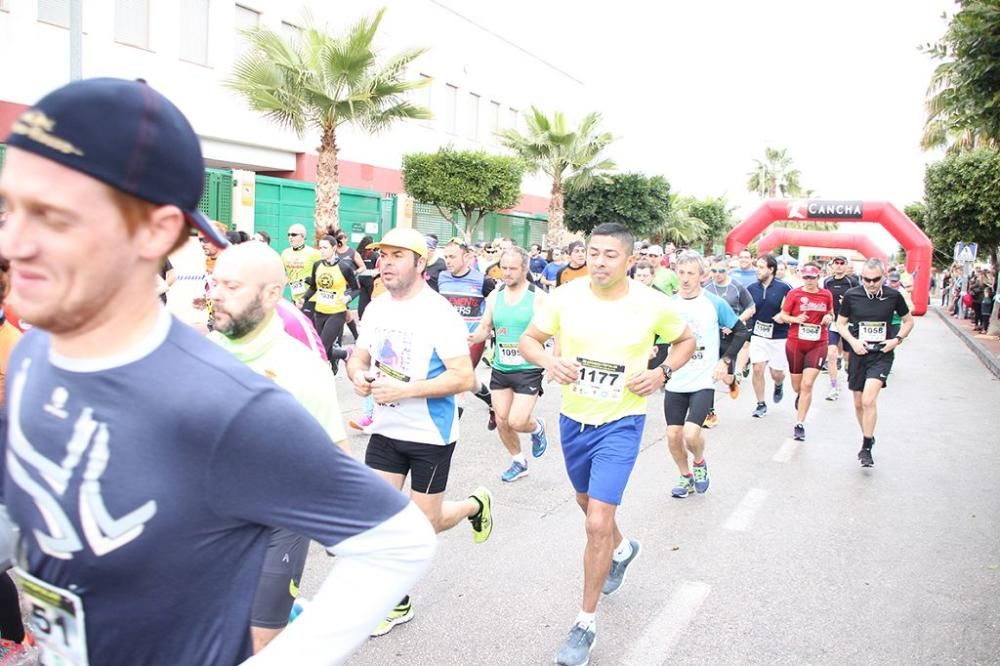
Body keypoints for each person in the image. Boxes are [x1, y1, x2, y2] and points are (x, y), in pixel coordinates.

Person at [0, 76, 435, 665]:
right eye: (8, 208)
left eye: (52, 216)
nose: (12, 242)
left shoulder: (224, 405)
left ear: (155, 232)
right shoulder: (32, 355)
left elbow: (397, 542)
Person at [520, 223, 696, 666]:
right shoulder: (565, 297)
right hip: (574, 419)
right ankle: (622, 549)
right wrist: (549, 361)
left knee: (597, 521)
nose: (599, 261)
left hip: (622, 421)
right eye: (593, 252)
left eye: (610, 254)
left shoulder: (652, 304)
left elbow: (686, 341)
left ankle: (584, 623)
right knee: (586, 503)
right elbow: (528, 340)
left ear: (630, 260)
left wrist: (661, 373)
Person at [346, 228, 494, 637]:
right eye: (383, 255)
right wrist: (358, 376)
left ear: (420, 263)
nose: (386, 263)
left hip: (430, 433)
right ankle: (397, 600)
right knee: (379, 519)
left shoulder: (438, 313)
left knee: (422, 523)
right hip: (386, 429)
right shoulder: (377, 308)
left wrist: (406, 390)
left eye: (398, 255)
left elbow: (464, 377)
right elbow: (359, 357)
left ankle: (474, 506)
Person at [207, 242, 352, 653]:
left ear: (272, 294)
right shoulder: (199, 354)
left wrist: (358, 532)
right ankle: (290, 615)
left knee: (258, 643)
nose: (216, 294)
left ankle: (280, 621)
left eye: (232, 286)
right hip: (213, 515)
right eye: (215, 283)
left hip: (280, 517)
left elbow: (336, 456)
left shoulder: (301, 368)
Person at [662, 252, 747, 499]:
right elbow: (656, 335)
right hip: (676, 378)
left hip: (703, 379)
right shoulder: (669, 304)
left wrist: (725, 361)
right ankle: (685, 476)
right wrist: (653, 351)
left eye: (691, 273)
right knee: (673, 435)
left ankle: (699, 461)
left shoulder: (714, 303)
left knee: (690, 433)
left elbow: (741, 332)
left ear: (702, 276)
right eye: (681, 272)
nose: (685, 278)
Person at [470, 247, 548, 482]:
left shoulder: (538, 297)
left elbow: (552, 330)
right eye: (503, 268)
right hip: (501, 367)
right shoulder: (495, 295)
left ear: (525, 269)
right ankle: (518, 461)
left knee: (517, 420)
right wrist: (472, 337)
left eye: (512, 268)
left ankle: (537, 427)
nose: (507, 273)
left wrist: (554, 359)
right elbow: (486, 326)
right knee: (502, 420)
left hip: (528, 368)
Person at [836, 258, 915, 467]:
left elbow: (909, 321)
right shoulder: (852, 295)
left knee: (868, 400)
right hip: (859, 352)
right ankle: (868, 435)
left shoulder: (893, 296)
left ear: (884, 277)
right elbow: (840, 324)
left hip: (881, 354)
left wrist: (896, 340)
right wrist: (853, 342)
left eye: (876, 279)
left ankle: (866, 447)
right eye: (866, 279)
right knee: (858, 402)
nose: (871, 283)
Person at [439, 238, 497, 427]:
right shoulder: (440, 278)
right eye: (446, 257)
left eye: (452, 257)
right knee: (467, 381)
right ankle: (492, 402)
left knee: (459, 380)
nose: (448, 261)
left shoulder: (483, 281)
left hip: (472, 341)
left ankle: (449, 429)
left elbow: (495, 305)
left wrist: (489, 329)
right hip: (446, 339)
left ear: (466, 257)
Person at [774, 262, 834, 441]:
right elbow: (783, 316)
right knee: (797, 386)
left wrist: (828, 317)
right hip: (796, 343)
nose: (809, 281)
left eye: (812, 278)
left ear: (818, 277)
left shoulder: (826, 294)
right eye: (806, 277)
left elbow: (831, 313)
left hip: (818, 343)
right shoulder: (794, 294)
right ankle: (800, 396)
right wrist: (796, 319)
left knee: (807, 384)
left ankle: (799, 424)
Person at [301, 235, 360, 374]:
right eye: (320, 247)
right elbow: (314, 287)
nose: (321, 250)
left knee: (321, 347)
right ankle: (345, 354)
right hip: (320, 312)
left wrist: (348, 297)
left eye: (325, 247)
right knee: (324, 350)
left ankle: (317, 377)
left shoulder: (344, 268)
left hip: (337, 313)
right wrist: (304, 299)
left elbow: (356, 288)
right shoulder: (317, 265)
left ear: (334, 248)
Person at [746, 254, 792, 418]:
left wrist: (783, 315)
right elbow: (747, 309)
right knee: (757, 368)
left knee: (776, 373)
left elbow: (792, 308)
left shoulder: (784, 288)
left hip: (779, 337)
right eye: (756, 267)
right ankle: (761, 404)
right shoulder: (751, 288)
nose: (757, 270)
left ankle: (779, 384)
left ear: (771, 269)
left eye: (761, 267)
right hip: (758, 335)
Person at [703, 254, 755, 398]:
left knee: (726, 376)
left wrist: (735, 323)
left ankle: (732, 382)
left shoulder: (736, 286)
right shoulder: (705, 288)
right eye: (714, 271)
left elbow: (751, 308)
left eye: (721, 271)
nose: (717, 274)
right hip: (711, 335)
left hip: (730, 335)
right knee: (708, 372)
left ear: (728, 270)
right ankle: (709, 408)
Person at [822, 256, 860, 401]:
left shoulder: (852, 282)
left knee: (847, 358)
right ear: (832, 266)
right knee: (831, 353)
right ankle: (834, 387)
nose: (839, 266)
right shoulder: (827, 281)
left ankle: (847, 368)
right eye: (836, 263)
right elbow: (824, 299)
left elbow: (859, 299)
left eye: (841, 263)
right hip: (833, 322)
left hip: (848, 323)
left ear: (846, 266)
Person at [281, 223, 322, 310]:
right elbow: (283, 274)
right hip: (294, 297)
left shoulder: (314, 253)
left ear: (303, 236)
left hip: (311, 298)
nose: (290, 237)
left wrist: (314, 281)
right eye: (288, 234)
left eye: (294, 234)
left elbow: (327, 271)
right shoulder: (285, 253)